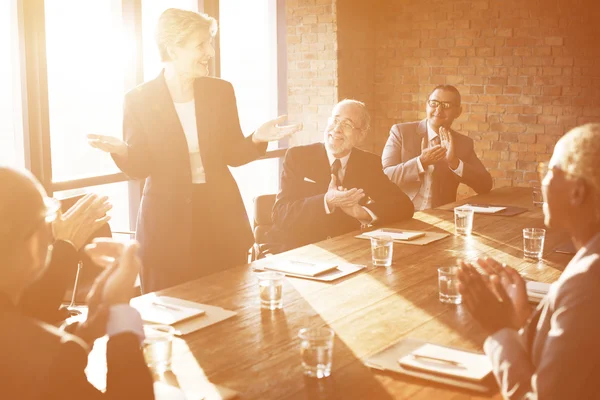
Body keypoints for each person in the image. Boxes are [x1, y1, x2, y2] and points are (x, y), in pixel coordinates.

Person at [88, 8, 301, 292]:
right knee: (170, 314)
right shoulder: (138, 99)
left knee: (229, 311)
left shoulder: (220, 91)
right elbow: (141, 167)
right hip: (166, 227)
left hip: (220, 220)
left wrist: (257, 138)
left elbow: (232, 154)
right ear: (174, 48)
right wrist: (122, 151)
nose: (209, 52)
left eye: (209, 42)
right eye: (201, 44)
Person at [456, 123, 600, 399]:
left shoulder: (588, 283)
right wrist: (523, 318)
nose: (542, 181)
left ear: (577, 192)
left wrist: (499, 329)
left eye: (549, 172)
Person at [0, 166, 153, 399]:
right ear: (33, 247)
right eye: (48, 222)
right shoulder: (50, 359)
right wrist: (122, 315)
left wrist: (86, 331)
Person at [267, 99, 414, 252]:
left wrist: (362, 212)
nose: (337, 129)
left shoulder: (368, 163)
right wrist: (327, 201)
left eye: (347, 124)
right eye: (335, 120)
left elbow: (403, 206)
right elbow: (281, 213)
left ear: (361, 134)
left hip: (345, 250)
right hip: (297, 249)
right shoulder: (298, 156)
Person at [381, 84, 492, 210]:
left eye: (446, 106)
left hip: (439, 218)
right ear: (426, 105)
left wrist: (454, 162)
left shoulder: (462, 143)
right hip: (400, 215)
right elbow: (385, 177)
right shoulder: (401, 132)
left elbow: (485, 185)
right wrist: (420, 162)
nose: (438, 110)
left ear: (458, 112)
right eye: (434, 103)